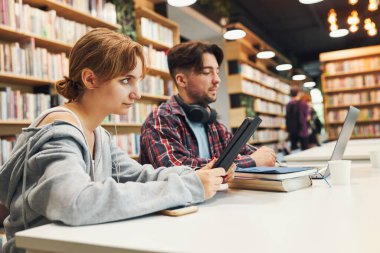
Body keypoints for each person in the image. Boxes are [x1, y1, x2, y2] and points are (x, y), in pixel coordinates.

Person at [0, 28, 234, 253]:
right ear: (90, 79)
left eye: (138, 81)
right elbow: (74, 202)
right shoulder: (60, 130)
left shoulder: (97, 133)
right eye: (125, 81)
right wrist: (188, 187)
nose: (137, 93)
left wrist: (196, 176)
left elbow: (140, 175)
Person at [140, 41, 276, 169]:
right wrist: (252, 161)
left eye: (216, 72)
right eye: (207, 72)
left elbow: (249, 152)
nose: (217, 79)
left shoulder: (213, 124)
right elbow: (177, 168)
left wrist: (265, 156)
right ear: (181, 80)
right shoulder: (160, 120)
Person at [285, 86, 309, 151]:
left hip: (292, 131)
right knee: (305, 150)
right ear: (299, 93)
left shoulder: (288, 104)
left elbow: (287, 118)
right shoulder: (303, 104)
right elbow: (308, 118)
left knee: (294, 149)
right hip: (302, 130)